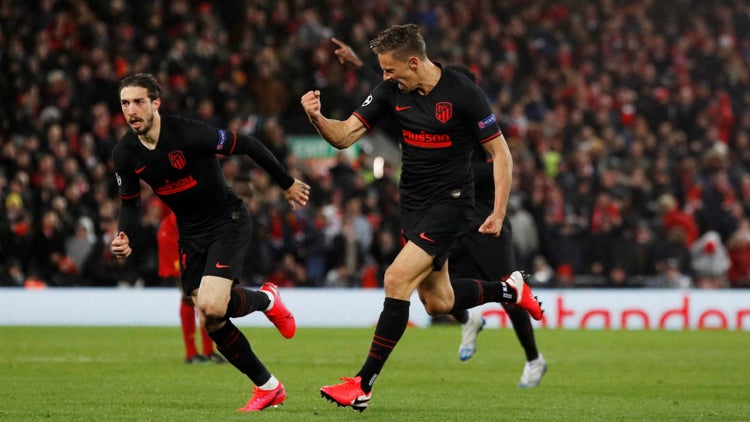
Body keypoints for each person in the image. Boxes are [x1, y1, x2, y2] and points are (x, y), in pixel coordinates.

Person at [301, 24, 543, 412]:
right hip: (412, 205)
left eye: (390, 69)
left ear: (413, 62)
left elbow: (502, 155)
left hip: (452, 203)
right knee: (437, 301)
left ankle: (362, 385)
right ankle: (509, 291)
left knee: (396, 279)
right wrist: (317, 118)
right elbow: (344, 135)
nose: (384, 76)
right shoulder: (390, 91)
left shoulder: (463, 93)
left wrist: (498, 213)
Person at [111, 73, 310, 412]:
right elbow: (130, 203)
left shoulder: (189, 133)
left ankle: (267, 299)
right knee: (210, 317)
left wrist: (286, 183)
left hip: (226, 221)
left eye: (139, 101)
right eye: (125, 103)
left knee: (213, 306)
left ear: (156, 103)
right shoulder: (125, 153)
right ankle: (268, 387)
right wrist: (124, 235)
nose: (131, 110)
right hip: (190, 234)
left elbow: (247, 144)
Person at [156, 209, 224, 364]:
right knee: (189, 295)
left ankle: (208, 351)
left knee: (203, 295)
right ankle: (191, 353)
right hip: (174, 237)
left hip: (191, 235)